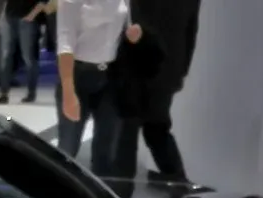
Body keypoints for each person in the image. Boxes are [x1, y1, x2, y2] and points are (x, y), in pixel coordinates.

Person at [111, 0, 199, 182]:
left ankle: (122, 191)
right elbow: (191, 32)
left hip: (136, 65)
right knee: (156, 129)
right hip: (167, 69)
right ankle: (179, 183)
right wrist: (181, 71)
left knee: (128, 129)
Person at [55, 0, 138, 179]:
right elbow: (65, 43)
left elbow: (125, 27)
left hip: (112, 76)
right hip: (78, 75)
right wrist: (68, 92)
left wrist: (131, 35)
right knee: (68, 148)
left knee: (106, 151)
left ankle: (99, 195)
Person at [0, 0, 46, 104]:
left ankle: (31, 93)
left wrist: (32, 15)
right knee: (6, 56)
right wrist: (3, 16)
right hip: (9, 17)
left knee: (28, 57)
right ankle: (3, 94)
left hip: (28, 18)